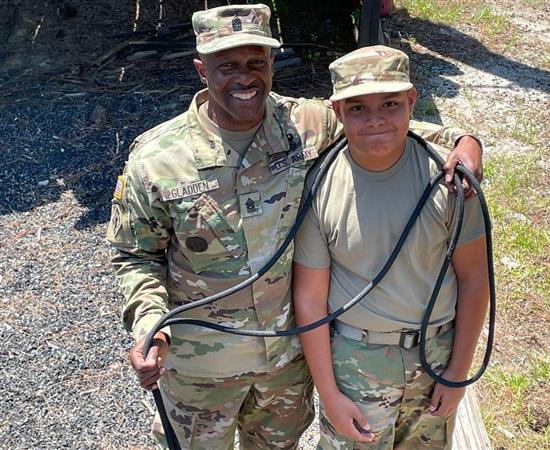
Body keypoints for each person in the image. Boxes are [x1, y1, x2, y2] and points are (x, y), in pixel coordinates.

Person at [106, 4, 484, 449]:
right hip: (200, 371)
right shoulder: (157, 161)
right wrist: (151, 324)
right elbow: (136, 255)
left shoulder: (305, 124)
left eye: (256, 62)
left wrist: (467, 143)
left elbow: (388, 125)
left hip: (286, 368)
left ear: (271, 64)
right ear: (201, 70)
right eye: (227, 65)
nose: (245, 77)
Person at [293, 45, 489, 450]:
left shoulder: (449, 181)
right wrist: (329, 395)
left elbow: (473, 281)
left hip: (435, 354)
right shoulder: (321, 184)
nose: (376, 118)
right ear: (338, 110)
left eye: (390, 103)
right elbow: (310, 300)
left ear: (412, 101)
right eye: (358, 107)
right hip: (356, 362)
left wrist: (457, 373)